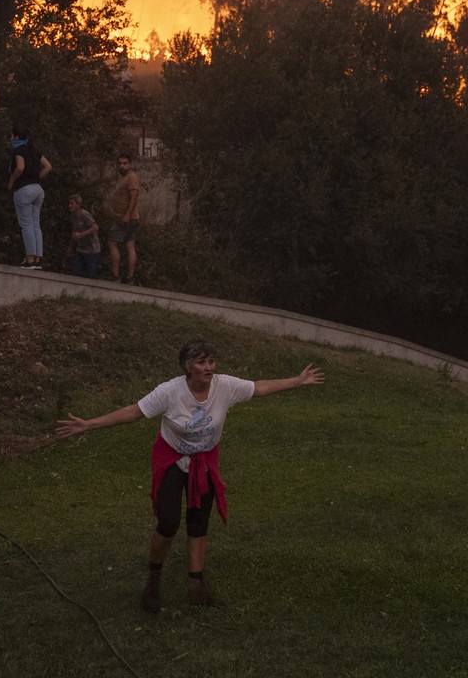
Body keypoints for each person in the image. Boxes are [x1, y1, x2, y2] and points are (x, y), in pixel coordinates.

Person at [56, 340, 325, 611]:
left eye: (211, 361)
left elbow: (259, 387)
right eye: (201, 362)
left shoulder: (225, 386)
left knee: (198, 522)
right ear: (188, 367)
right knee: (169, 521)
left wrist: (297, 381)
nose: (208, 368)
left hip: (204, 459)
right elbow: (134, 412)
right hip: (172, 458)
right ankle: (152, 579)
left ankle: (196, 586)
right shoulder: (170, 392)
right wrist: (89, 424)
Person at [7, 126, 51, 267]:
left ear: (16, 137)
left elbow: (20, 167)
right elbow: (48, 166)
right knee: (35, 224)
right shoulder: (35, 150)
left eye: (11, 135)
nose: (10, 138)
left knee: (26, 225)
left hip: (24, 190)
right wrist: (36, 177)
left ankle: (29, 259)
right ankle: (38, 259)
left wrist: (12, 181)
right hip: (38, 189)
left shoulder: (18, 150)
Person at [107, 152, 142, 283]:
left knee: (112, 243)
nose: (122, 166)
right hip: (128, 218)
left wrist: (127, 215)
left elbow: (135, 196)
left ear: (130, 164)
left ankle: (115, 276)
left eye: (125, 163)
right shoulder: (124, 177)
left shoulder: (132, 177)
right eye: (120, 163)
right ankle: (130, 278)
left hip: (126, 218)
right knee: (129, 245)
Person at [68, 193, 101, 279]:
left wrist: (81, 235)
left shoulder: (84, 214)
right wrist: (71, 247)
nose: (70, 206)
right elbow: (74, 232)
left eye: (72, 203)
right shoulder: (73, 217)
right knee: (76, 272)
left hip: (92, 250)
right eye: (69, 203)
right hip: (81, 249)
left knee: (91, 275)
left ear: (78, 205)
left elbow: (95, 228)